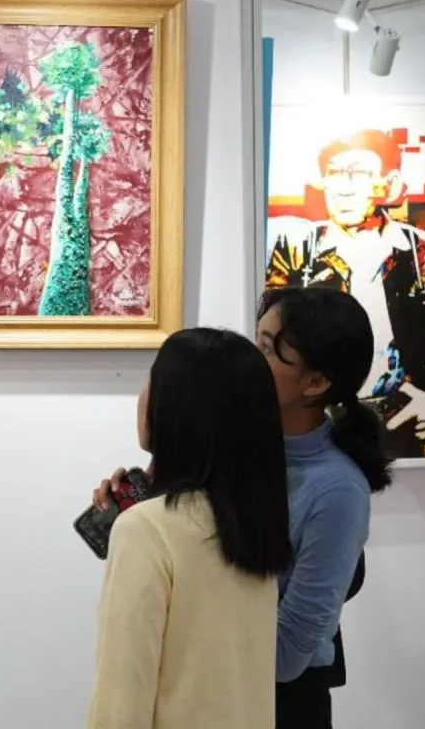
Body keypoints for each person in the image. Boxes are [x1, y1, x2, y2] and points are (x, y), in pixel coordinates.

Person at [93, 288, 393, 729]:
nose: (252, 358)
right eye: (257, 339)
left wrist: (186, 610)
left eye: (268, 350)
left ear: (315, 383)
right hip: (214, 686)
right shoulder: (236, 443)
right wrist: (147, 518)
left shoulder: (338, 489)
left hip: (280, 701)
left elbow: (288, 653)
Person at [86, 327, 294, 729]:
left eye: (151, 381)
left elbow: (121, 704)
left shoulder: (145, 531)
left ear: (176, 407)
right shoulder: (256, 522)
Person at [266, 129, 425, 459]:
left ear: (388, 184)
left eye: (358, 173)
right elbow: (271, 340)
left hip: (414, 418)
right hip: (321, 422)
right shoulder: (297, 250)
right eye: (334, 173)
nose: (343, 187)